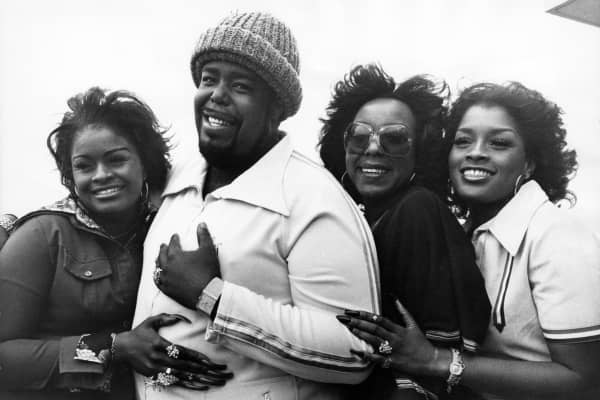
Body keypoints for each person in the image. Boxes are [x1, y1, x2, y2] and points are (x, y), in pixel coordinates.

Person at [132, 11, 380, 400]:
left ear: (277, 108)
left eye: (240, 85)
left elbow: (355, 353)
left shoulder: (313, 198)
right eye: (208, 78)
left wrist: (212, 296)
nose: (217, 95)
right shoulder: (177, 180)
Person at [341, 81, 600, 399]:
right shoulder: (464, 234)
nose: (476, 152)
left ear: (530, 162)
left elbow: (585, 379)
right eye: (463, 141)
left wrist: (436, 360)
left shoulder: (557, 235)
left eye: (499, 143)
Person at [0, 87, 232, 400]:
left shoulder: (165, 226)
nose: (101, 175)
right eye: (84, 166)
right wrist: (112, 347)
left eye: (117, 160)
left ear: (145, 163)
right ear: (70, 175)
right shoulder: (41, 235)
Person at [318, 64, 490, 399]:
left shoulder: (416, 209)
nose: (372, 148)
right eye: (359, 136)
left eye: (394, 138)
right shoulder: (365, 217)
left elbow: (430, 351)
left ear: (420, 152)